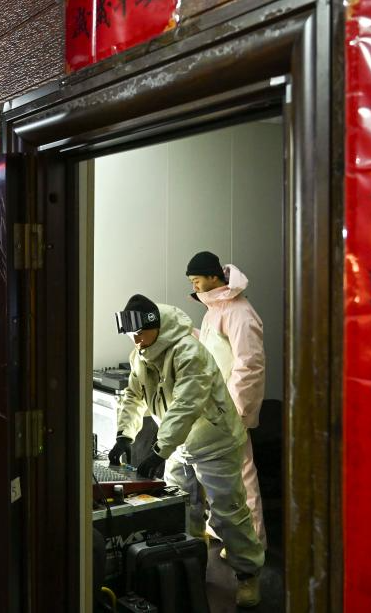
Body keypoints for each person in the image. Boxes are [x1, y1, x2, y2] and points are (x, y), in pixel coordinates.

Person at [108, 294, 264, 607]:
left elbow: (186, 404)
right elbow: (133, 395)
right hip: (180, 443)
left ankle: (248, 574)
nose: (135, 340)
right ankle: (191, 565)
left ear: (155, 326)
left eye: (140, 332)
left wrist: (160, 449)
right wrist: (124, 435)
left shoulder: (188, 352)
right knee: (180, 509)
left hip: (215, 441)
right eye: (131, 334)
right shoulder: (141, 354)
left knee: (228, 514)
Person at [186, 251, 267, 549]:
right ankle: (225, 532)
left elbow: (250, 365)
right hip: (216, 408)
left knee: (241, 476)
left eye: (196, 280)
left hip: (230, 409)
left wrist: (237, 411)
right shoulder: (215, 310)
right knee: (219, 476)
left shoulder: (239, 312)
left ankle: (252, 542)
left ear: (213, 276)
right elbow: (214, 352)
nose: (194, 286)